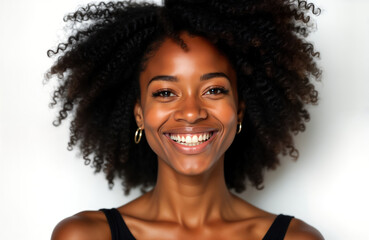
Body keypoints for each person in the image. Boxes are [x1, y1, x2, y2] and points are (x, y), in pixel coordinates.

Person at [47, 0, 324, 239]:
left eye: (214, 90)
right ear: (140, 116)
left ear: (239, 110)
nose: (191, 112)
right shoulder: (85, 236)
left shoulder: (296, 238)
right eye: (166, 92)